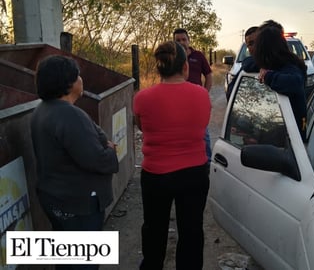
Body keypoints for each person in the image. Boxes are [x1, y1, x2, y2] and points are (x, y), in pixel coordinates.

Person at [31, 55, 119, 269]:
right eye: (78, 75)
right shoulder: (69, 115)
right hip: (78, 204)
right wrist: (110, 151)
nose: (81, 79)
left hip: (56, 199)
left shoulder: (42, 110)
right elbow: (97, 158)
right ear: (69, 83)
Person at [133, 41, 211, 270]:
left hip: (155, 176)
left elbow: (142, 127)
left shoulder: (142, 98)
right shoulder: (202, 96)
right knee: (192, 231)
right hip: (194, 174)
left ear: (159, 69)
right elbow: (202, 124)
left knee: (154, 229)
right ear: (185, 67)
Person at [253, 20, 307, 141]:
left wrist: (268, 77)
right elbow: (248, 64)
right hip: (288, 132)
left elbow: (295, 82)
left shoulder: (289, 67)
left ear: (264, 51)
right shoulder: (278, 64)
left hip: (295, 139)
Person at [173, 28, 212, 163]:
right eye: (178, 40)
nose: (181, 42)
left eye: (184, 39)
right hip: (177, 103)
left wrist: (205, 94)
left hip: (196, 103)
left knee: (203, 133)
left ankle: (207, 162)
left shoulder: (199, 56)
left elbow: (208, 75)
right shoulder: (172, 57)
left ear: (189, 40)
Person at [226, 26, 259, 101]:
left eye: (258, 42)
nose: (254, 47)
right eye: (250, 44)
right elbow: (231, 93)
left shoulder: (282, 65)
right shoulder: (247, 65)